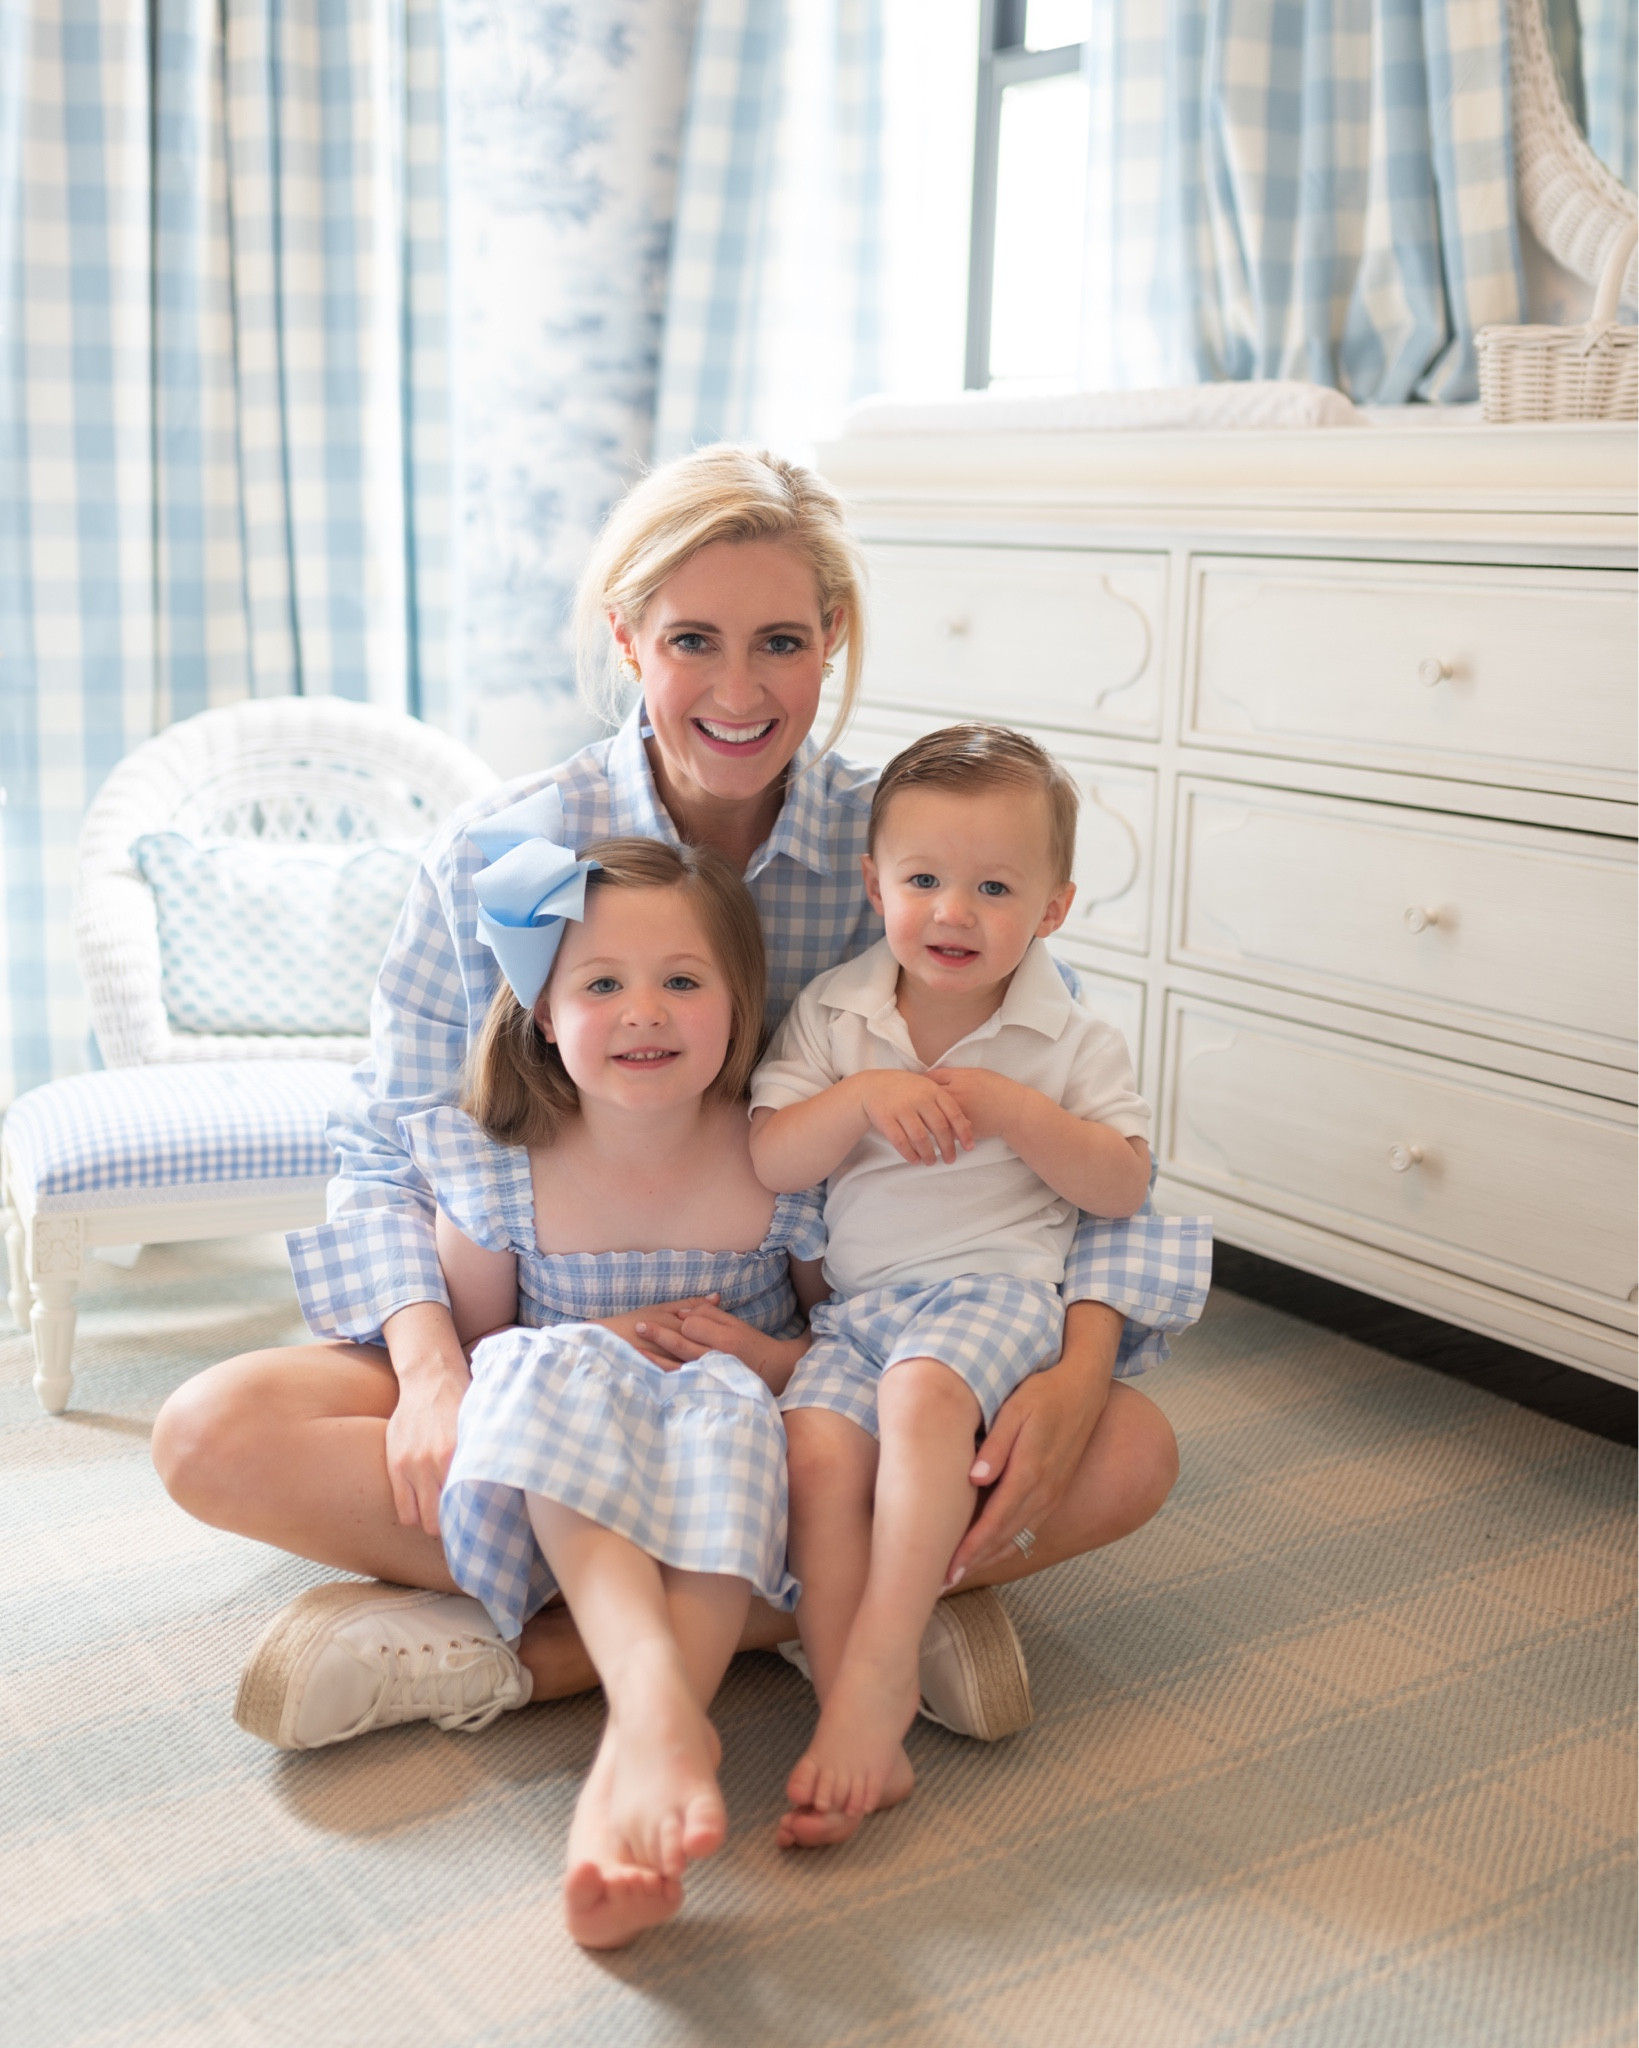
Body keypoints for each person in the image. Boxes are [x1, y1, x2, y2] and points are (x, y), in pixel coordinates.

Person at [151, 444, 1210, 1753]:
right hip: (542, 1345)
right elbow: (387, 1147)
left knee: (1125, 1449)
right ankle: (854, 1603)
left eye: (780, 642)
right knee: (211, 1433)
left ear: (831, 637)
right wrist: (430, 1375)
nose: (737, 690)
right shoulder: (510, 856)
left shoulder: (909, 860)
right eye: (691, 640)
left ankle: (538, 1647)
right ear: (626, 637)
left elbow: (1068, 1118)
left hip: (801, 1367)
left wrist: (1082, 1364)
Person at [356, 832, 818, 1946]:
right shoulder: (497, 1167)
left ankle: (632, 1776)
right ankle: (656, 1699)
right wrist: (599, 1339)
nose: (643, 1012)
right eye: (601, 984)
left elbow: (836, 1338)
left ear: (739, 1003)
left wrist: (761, 1360)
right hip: (570, 1463)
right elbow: (484, 1354)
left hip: (729, 1443)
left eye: (681, 981)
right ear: (543, 1016)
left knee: (724, 1416)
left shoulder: (784, 1161)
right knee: (547, 1362)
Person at [751, 724, 1152, 1847]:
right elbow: (771, 1157)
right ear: (874, 883)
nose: (953, 912)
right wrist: (860, 1098)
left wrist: (1021, 1113)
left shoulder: (1070, 1038)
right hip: (855, 1314)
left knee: (924, 1397)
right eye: (922, 879)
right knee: (815, 1456)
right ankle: (857, 1711)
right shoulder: (837, 1012)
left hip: (992, 1293)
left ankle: (880, 1674)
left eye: (994, 887)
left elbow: (1122, 1185)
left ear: (1053, 908)